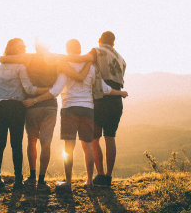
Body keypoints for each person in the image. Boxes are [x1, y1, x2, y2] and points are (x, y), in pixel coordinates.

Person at [23, 39, 128, 191]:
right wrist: (120, 93)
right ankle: (90, 181)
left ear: (67, 49)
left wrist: (35, 100)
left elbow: (56, 90)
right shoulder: (91, 67)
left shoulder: (65, 66)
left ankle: (68, 182)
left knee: (69, 147)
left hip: (69, 109)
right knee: (88, 146)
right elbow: (104, 88)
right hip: (88, 109)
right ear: (80, 50)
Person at [0, 38, 91, 191]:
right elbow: (76, 67)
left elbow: (3, 59)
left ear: (36, 47)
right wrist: (89, 60)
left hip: (31, 105)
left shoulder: (29, 57)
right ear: (48, 45)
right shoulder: (58, 58)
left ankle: (32, 177)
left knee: (32, 140)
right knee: (46, 143)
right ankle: (42, 181)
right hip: (50, 106)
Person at [64, 31, 127, 187]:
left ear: (100, 40)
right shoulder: (121, 58)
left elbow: (82, 59)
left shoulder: (96, 51)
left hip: (100, 99)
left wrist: (60, 59)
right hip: (116, 100)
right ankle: (108, 177)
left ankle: (98, 175)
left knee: (94, 138)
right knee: (110, 137)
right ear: (113, 43)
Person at [0, 38, 50, 190]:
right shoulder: (21, 66)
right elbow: (29, 89)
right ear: (15, 49)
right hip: (16, 107)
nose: (24, 48)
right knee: (16, 144)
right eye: (21, 46)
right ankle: (18, 180)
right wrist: (48, 90)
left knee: (0, 143)